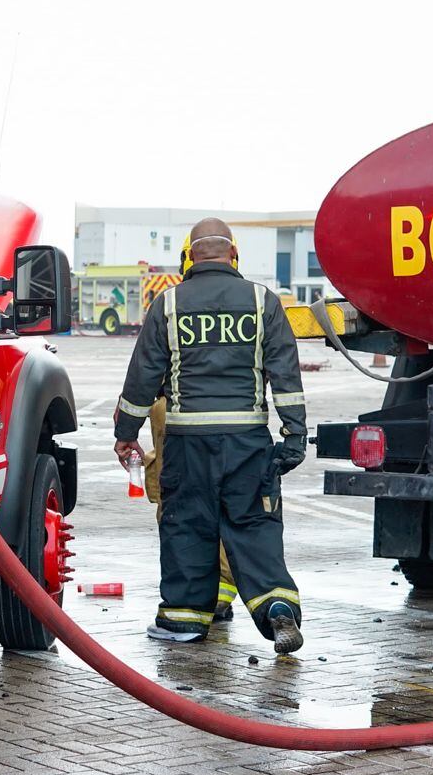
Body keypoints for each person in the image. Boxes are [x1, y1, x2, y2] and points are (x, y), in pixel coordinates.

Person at [114, 219, 308, 653]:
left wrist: (126, 433)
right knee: (255, 526)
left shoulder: (168, 304)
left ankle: (183, 621)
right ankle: (278, 609)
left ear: (188, 259)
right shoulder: (264, 303)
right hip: (248, 442)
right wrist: (295, 435)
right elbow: (285, 375)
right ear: (234, 256)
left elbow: (143, 378)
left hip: (188, 444)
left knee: (187, 527)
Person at [145, 398, 237, 623]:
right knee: (221, 506)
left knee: (178, 513)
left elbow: (147, 368)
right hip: (225, 406)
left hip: (174, 405)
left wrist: (127, 423)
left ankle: (195, 601)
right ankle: (218, 597)